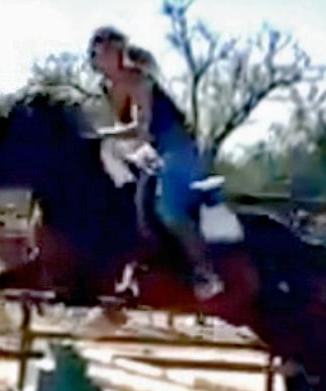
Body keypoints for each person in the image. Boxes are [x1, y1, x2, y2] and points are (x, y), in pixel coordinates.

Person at [87, 25, 224, 301]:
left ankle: (206, 272)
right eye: (98, 54)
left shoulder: (139, 80)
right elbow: (126, 128)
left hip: (178, 146)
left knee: (167, 207)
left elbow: (142, 128)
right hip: (150, 148)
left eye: (109, 52)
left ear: (119, 53)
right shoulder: (107, 88)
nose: (103, 60)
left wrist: (101, 135)